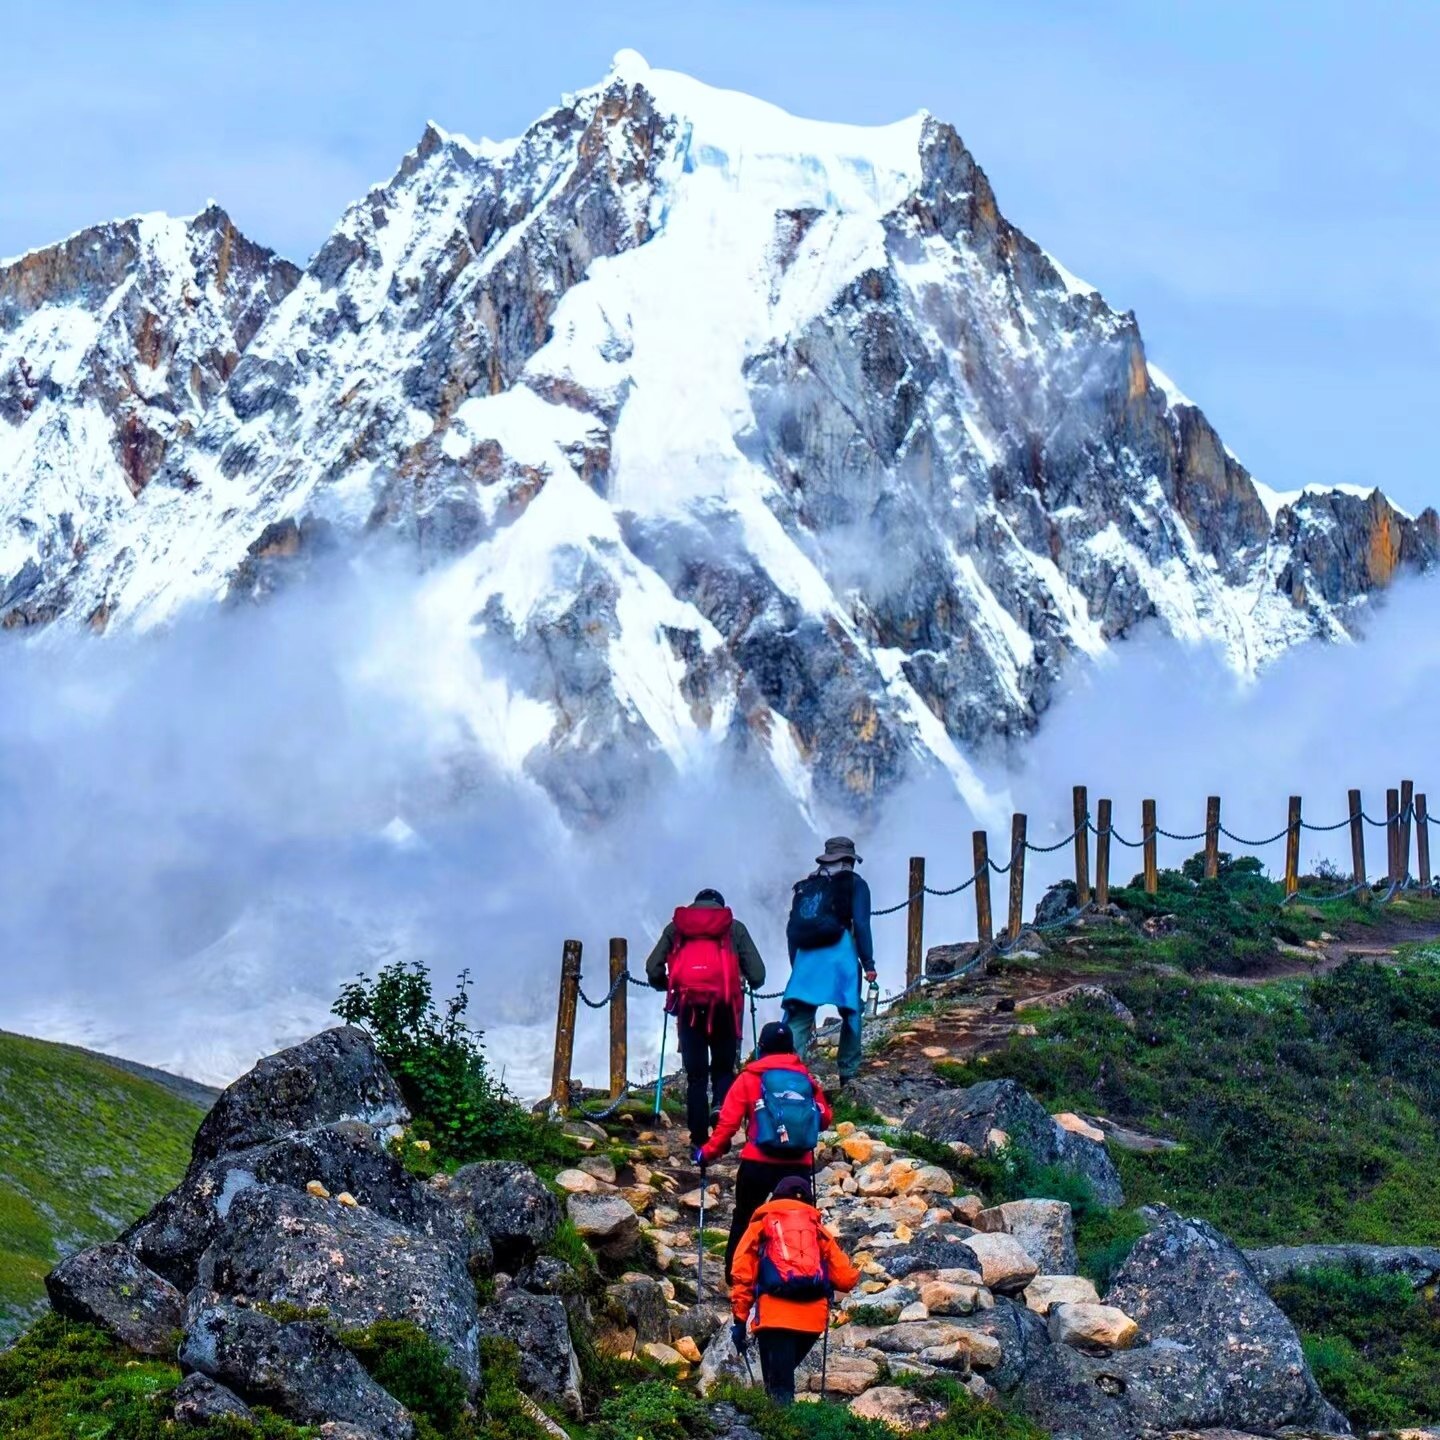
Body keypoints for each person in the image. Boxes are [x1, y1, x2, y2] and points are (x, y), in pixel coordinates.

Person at [698, 1020, 832, 1282]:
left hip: (757, 1165)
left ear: (761, 1048)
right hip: (798, 1166)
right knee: (800, 1222)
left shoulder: (749, 1078)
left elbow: (727, 1125)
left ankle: (736, 1278)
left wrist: (707, 1153)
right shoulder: (805, 1079)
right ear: (792, 1049)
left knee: (745, 1219)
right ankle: (799, 1279)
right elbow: (825, 1118)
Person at [646, 887, 765, 1150]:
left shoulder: (676, 928)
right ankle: (720, 1110)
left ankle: (698, 1139)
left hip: (688, 1009)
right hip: (724, 1008)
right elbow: (758, 974)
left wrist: (666, 985)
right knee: (723, 1069)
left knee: (696, 1077)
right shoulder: (734, 928)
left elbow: (652, 967)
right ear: (720, 906)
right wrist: (744, 980)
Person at [729, 1175, 859, 1404]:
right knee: (780, 1383)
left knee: (778, 1389)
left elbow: (742, 1275)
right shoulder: (817, 1229)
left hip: (774, 1319)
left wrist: (740, 1320)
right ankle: (784, 1426)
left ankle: (775, 1429)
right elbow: (846, 1279)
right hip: (811, 1322)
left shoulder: (761, 1224)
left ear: (775, 1198)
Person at [782, 836, 876, 1091]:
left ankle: (786, 1073)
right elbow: (862, 924)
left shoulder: (806, 887)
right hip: (840, 957)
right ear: (849, 860)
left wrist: (796, 965)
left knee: (798, 1019)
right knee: (851, 1013)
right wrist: (868, 963)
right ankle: (848, 1073)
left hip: (806, 959)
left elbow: (792, 930)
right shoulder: (856, 885)